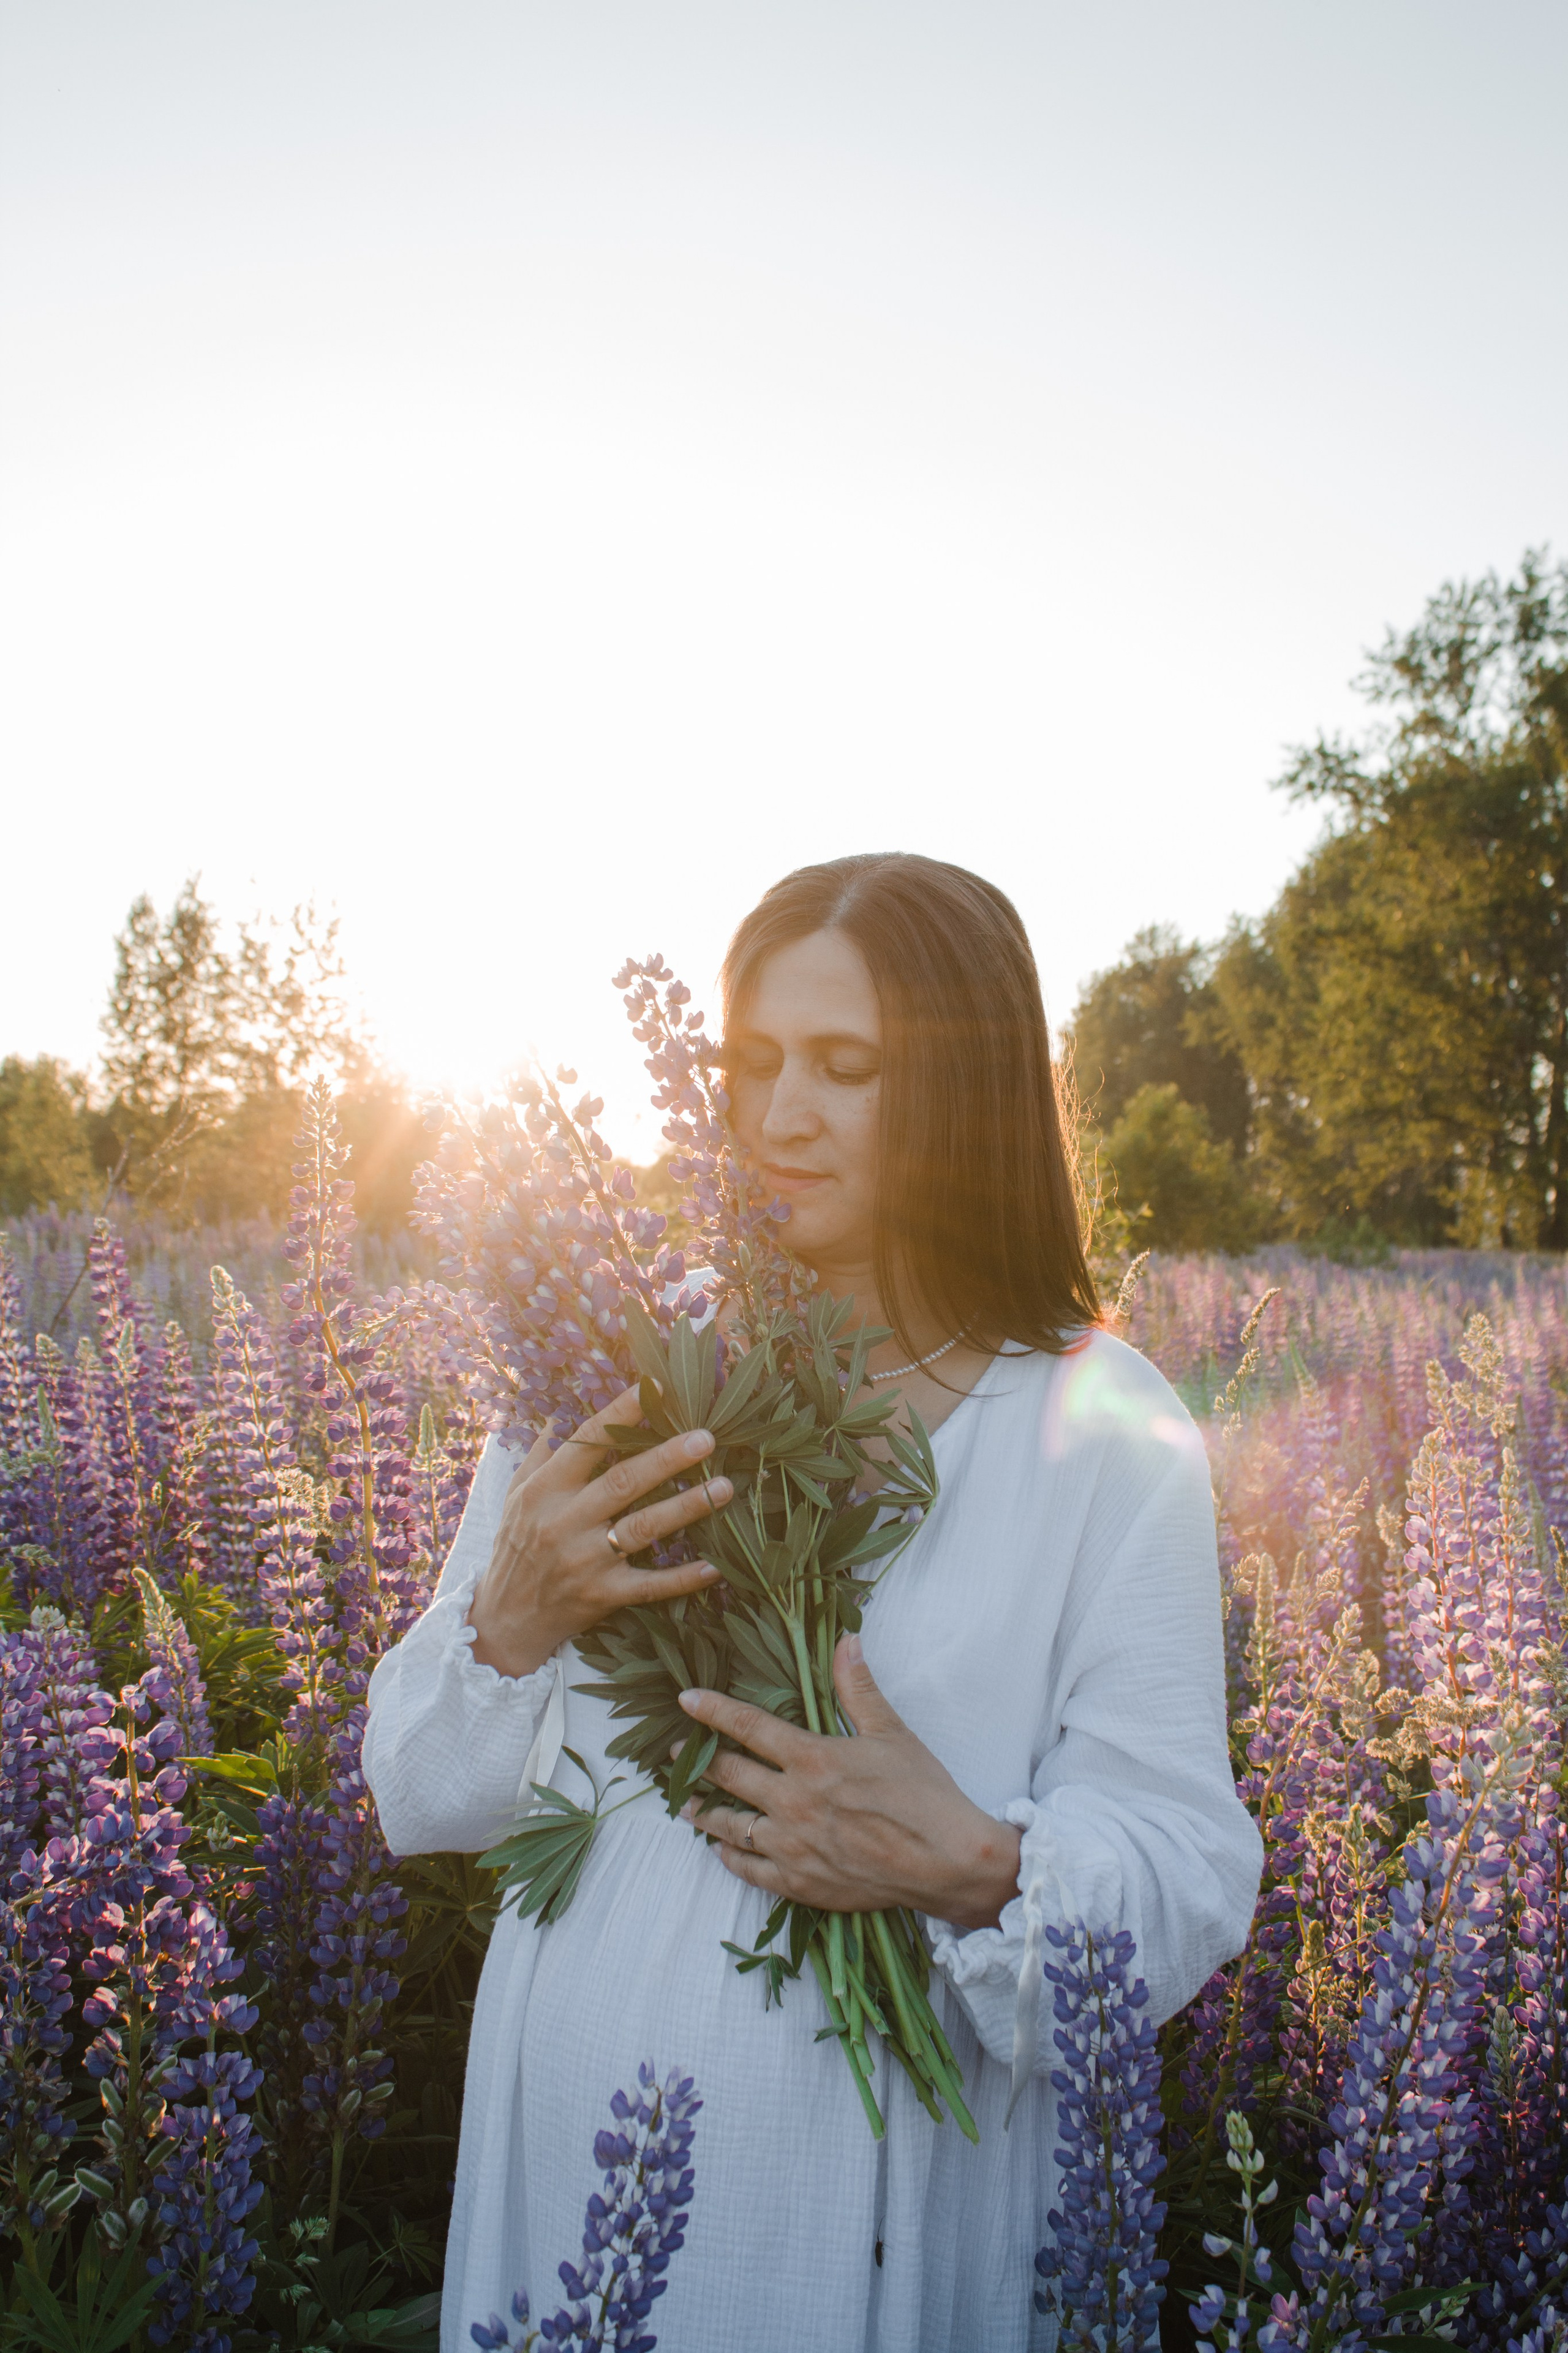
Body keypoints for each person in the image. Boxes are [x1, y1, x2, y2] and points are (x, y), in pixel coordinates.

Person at [362, 852, 1263, 2353]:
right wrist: (508, 1611)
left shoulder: (1105, 1423)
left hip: (874, 2197)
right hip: (565, 2164)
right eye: (752, 1061)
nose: (777, 1116)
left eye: (844, 1069)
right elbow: (413, 1787)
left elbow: (1181, 1860)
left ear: (967, 1093)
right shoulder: (620, 1356)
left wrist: (973, 1860)